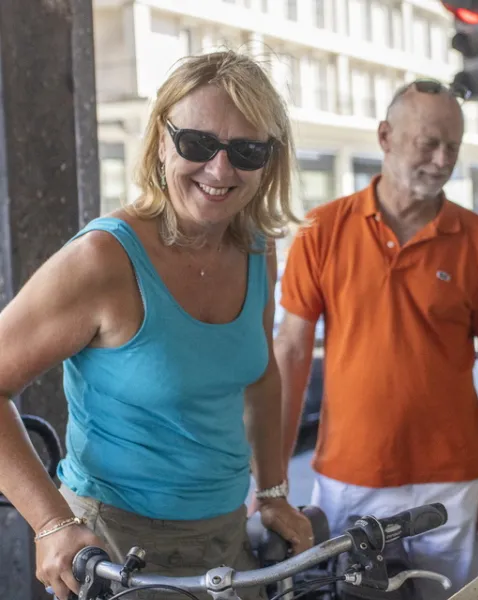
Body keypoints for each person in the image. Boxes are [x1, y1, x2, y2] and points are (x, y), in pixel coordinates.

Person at [0, 51, 313, 600]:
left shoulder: (256, 246)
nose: (220, 170)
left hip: (226, 535)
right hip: (115, 548)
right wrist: (50, 524)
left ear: (270, 160)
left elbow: (260, 375)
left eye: (246, 150)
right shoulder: (102, 259)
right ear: (161, 141)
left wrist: (273, 491)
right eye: (197, 143)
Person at [275, 79, 478, 599]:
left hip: (455, 488)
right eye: (427, 143)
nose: (441, 159)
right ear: (385, 137)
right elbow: (292, 353)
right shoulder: (320, 230)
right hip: (349, 482)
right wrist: (272, 483)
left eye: (452, 146)